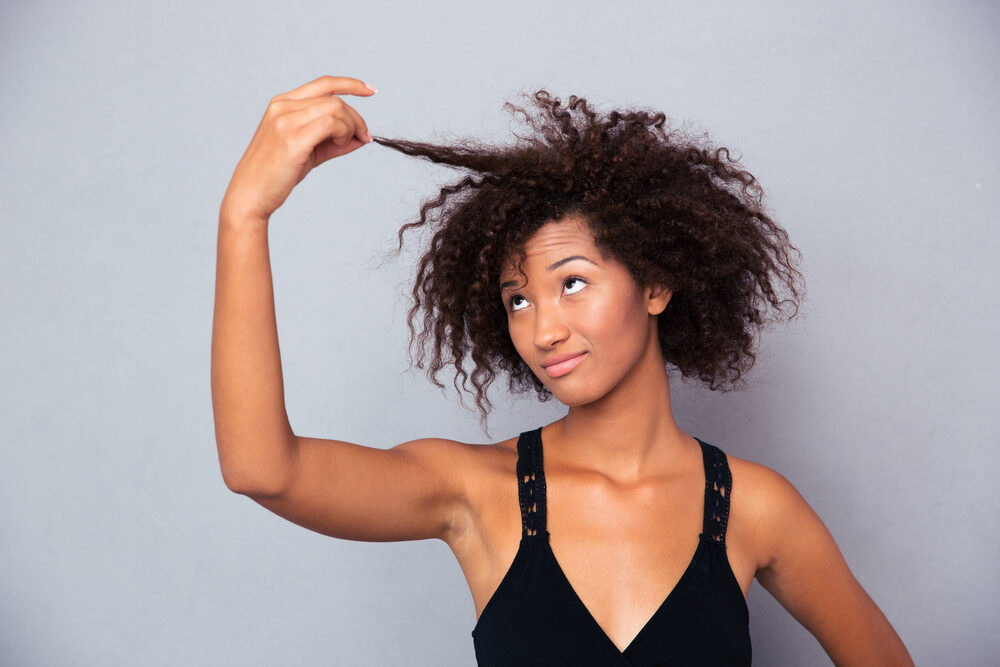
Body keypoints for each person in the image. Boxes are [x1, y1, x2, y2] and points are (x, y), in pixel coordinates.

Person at [211, 74, 914, 666]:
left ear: (656, 284)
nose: (543, 328)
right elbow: (263, 469)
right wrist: (245, 216)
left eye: (572, 282)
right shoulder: (477, 494)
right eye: (518, 299)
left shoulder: (756, 507)